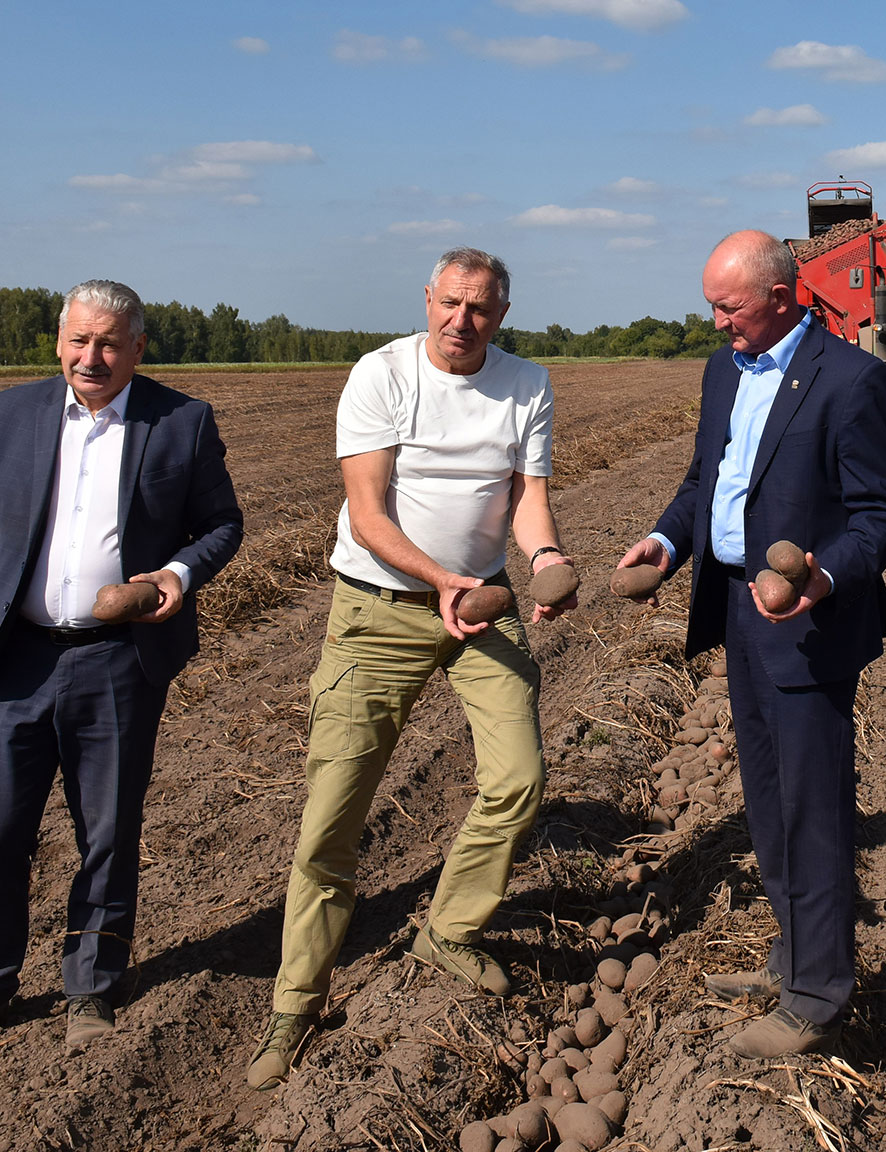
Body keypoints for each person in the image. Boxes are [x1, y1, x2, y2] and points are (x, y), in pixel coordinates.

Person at [245, 247, 576, 1090]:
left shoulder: (527, 383)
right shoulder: (382, 374)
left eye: (481, 309)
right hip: (380, 611)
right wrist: (442, 581)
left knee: (519, 778)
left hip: (482, 606)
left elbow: (528, 497)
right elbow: (368, 512)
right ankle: (297, 1001)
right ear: (428, 299)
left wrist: (544, 558)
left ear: (502, 315)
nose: (463, 321)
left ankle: (449, 931)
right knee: (333, 814)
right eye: (451, 303)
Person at [0, 280, 243, 1056]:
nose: (92, 356)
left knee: (108, 832)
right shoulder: (7, 415)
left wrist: (176, 575)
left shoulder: (180, 422)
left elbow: (222, 524)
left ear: (137, 348)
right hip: (17, 658)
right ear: (60, 342)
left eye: (110, 343)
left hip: (116, 660)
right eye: (80, 340)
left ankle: (91, 988)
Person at [617, 231, 886, 1057]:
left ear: (781, 297)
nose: (716, 321)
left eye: (729, 306)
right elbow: (705, 485)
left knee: (813, 807)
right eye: (712, 305)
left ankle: (819, 995)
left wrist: (823, 577)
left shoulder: (849, 379)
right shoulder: (723, 372)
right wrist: (666, 543)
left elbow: (881, 516)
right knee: (769, 799)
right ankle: (793, 956)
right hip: (739, 612)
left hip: (809, 623)